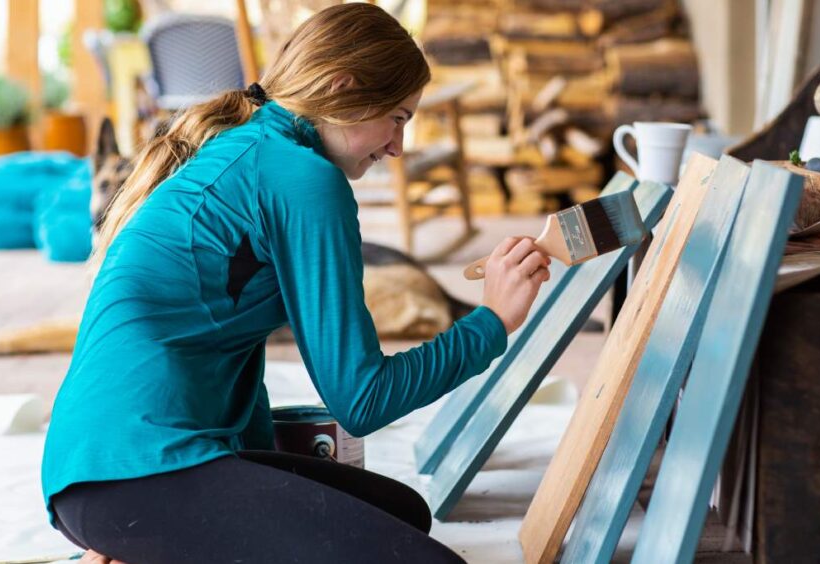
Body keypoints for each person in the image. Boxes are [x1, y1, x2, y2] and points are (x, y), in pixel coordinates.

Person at [42, 4, 551, 563]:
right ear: (343, 87)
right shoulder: (304, 178)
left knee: (403, 513)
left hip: (105, 464)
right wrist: (491, 323)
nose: (398, 147)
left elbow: (231, 354)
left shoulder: (253, 145)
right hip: (134, 471)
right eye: (399, 118)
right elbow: (362, 399)